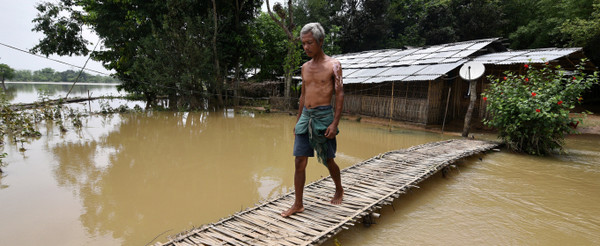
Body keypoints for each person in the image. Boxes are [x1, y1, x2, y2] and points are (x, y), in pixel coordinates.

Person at [281, 22, 344, 217]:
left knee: (328, 160)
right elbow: (303, 95)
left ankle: (339, 189)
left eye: (310, 43)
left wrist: (334, 123)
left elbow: (340, 94)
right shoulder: (305, 67)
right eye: (303, 43)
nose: (306, 47)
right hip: (306, 117)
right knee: (299, 161)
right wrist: (298, 120)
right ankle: (298, 203)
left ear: (320, 41)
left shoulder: (334, 65)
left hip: (324, 116)